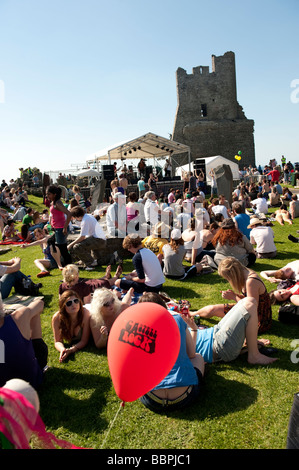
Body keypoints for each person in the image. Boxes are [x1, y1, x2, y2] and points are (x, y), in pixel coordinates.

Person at [138, 292, 205, 412]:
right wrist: (194, 329)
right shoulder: (178, 319)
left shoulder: (138, 327)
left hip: (153, 398)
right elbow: (191, 354)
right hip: (184, 396)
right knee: (198, 358)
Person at [184, 297, 277, 365]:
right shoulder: (170, 349)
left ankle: (250, 342)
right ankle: (254, 356)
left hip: (214, 331)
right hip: (217, 346)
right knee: (249, 304)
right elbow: (189, 355)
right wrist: (194, 329)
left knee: (245, 301)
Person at [192, 257, 272, 335]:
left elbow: (252, 308)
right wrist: (236, 295)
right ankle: (191, 314)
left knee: (226, 328)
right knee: (212, 309)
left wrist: (233, 297)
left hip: (258, 320)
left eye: (227, 278)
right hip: (250, 312)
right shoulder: (245, 273)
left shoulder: (251, 281)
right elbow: (249, 298)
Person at [0, 298, 48, 389]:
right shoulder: (19, 316)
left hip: (3, 391)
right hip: (30, 383)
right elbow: (39, 303)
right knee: (32, 314)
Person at [51, 290, 91, 363]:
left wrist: (72, 350)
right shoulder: (57, 318)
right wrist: (62, 349)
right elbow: (57, 341)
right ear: (63, 306)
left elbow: (84, 341)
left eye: (76, 301)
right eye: (69, 303)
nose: (74, 304)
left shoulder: (85, 314)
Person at [58, 263, 123, 304]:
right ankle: (116, 276)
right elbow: (88, 304)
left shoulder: (62, 286)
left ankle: (106, 276)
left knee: (93, 281)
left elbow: (60, 301)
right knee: (103, 282)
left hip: (87, 285)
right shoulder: (83, 286)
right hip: (93, 289)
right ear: (76, 275)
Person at [68, 206, 106, 270]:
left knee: (77, 246)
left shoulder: (85, 220)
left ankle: (90, 263)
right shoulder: (88, 216)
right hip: (100, 239)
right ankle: (86, 261)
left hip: (99, 240)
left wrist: (70, 245)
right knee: (82, 244)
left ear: (77, 216)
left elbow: (82, 237)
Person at [46, 185, 72, 266]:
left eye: (49, 194)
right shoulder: (53, 202)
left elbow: (69, 214)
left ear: (55, 194)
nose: (47, 196)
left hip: (61, 228)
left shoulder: (58, 203)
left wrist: (65, 227)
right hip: (56, 228)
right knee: (51, 242)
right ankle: (63, 263)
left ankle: (69, 265)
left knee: (63, 249)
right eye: (47, 194)